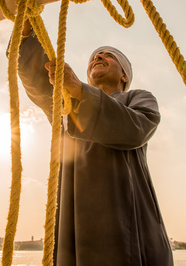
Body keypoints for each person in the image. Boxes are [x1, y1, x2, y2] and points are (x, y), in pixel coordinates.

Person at [12, 19, 174, 265]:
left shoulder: (139, 98)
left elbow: (136, 129)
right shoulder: (66, 104)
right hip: (73, 231)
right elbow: (38, 81)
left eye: (108, 55)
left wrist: (80, 90)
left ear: (124, 75)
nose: (98, 56)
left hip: (129, 230)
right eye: (94, 56)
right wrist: (27, 33)